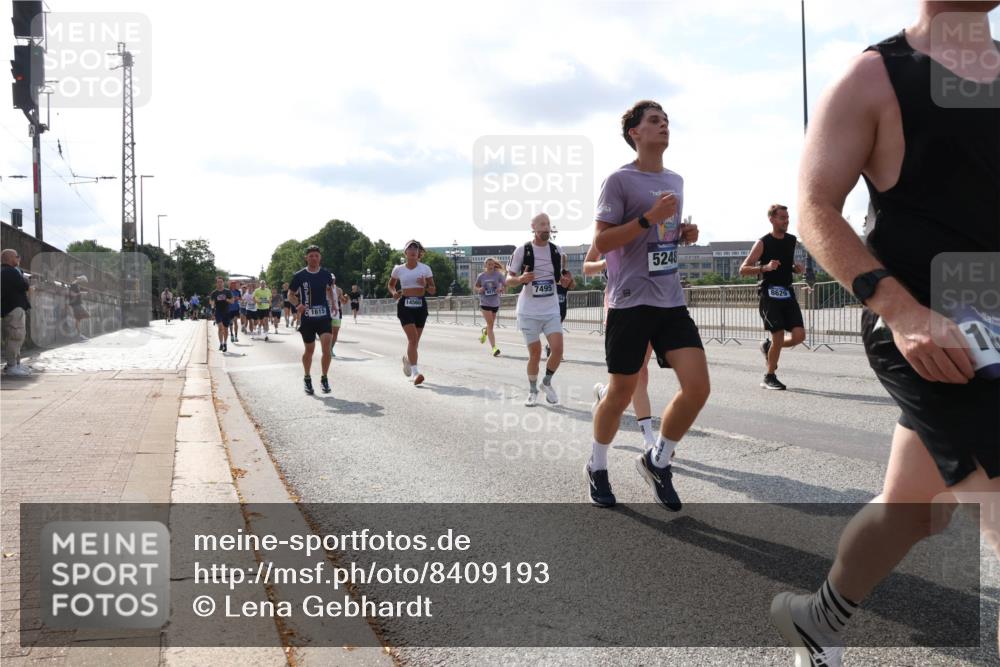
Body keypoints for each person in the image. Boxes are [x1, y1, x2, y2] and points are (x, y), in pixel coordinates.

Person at [769, 6, 1000, 666]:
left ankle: (817, 618)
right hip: (935, 328)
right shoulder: (875, 77)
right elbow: (815, 205)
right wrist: (901, 312)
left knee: (910, 510)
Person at [588, 100, 708, 512]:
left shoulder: (675, 179)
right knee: (620, 392)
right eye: (654, 121)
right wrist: (647, 218)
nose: (663, 126)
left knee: (698, 387)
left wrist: (683, 234)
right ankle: (597, 465)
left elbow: (663, 237)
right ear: (634, 133)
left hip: (670, 299)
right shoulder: (618, 181)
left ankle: (657, 460)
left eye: (666, 121)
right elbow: (602, 244)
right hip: (630, 301)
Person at [584, 244, 658, 451]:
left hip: (652, 304)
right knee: (638, 373)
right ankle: (649, 439)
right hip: (620, 307)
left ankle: (605, 392)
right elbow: (587, 267)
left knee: (638, 373)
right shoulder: (609, 229)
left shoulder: (652, 226)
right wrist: (608, 261)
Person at [505, 213, 571, 406]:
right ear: (533, 227)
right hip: (528, 312)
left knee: (557, 350)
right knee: (535, 353)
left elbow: (558, 279)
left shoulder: (557, 251)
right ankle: (532, 390)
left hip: (550, 309)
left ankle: (546, 382)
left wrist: (565, 281)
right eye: (542, 224)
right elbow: (508, 280)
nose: (546, 227)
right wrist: (520, 279)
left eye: (548, 224)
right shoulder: (522, 250)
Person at [740, 204, 807, 390]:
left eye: (787, 217)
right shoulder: (763, 242)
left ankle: (768, 348)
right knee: (778, 335)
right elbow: (743, 269)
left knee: (799, 336)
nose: (786, 221)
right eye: (782, 218)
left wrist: (796, 268)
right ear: (772, 219)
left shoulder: (792, 240)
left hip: (787, 292)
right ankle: (769, 376)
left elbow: (787, 264)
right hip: (769, 292)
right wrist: (765, 268)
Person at [288, 245, 337, 395]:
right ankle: (307, 378)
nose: (314, 258)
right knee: (309, 351)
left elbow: (331, 290)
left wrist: (334, 303)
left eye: (316, 255)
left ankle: (324, 378)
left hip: (323, 316)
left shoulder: (326, 274)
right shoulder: (299, 275)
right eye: (311, 256)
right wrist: (298, 304)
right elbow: (290, 294)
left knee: (326, 349)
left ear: (320, 257)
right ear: (306, 258)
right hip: (307, 319)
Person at [388, 240, 436, 386]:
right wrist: (394, 292)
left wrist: (425, 285)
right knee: (413, 339)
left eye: (416, 248)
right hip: (405, 305)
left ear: (419, 253)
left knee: (415, 342)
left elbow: (433, 290)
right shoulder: (398, 269)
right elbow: (391, 285)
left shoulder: (425, 269)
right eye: (410, 248)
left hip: (420, 304)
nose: (413, 250)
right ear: (405, 252)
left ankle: (408, 360)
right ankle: (415, 373)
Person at [1, 249, 31, 376]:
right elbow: (25, 286)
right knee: (15, 335)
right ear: (10, 258)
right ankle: (12, 366)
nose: (19, 259)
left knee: (17, 336)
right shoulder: (9, 271)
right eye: (17, 256)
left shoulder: (9, 271)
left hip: (14, 308)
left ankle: (16, 365)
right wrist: (23, 277)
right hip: (13, 308)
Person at [475, 258, 506, 357]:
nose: (490, 266)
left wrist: (501, 288)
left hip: (495, 303)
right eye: (488, 264)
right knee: (490, 324)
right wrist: (480, 289)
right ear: (485, 265)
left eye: (492, 264)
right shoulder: (481, 276)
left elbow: (505, 285)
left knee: (490, 326)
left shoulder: (498, 275)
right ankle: (494, 348)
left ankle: (485, 332)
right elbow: (475, 287)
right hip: (484, 302)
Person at [547, 270, 576, 359]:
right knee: (557, 333)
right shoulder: (555, 286)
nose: (568, 279)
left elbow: (573, 285)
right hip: (554, 312)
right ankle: (557, 353)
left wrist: (568, 279)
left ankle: (549, 347)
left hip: (562, 312)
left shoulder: (565, 287)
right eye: (566, 276)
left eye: (570, 277)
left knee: (555, 333)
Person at [209, 277, 234, 352]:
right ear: (216, 283)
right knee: (220, 327)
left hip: (226, 312)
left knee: (226, 329)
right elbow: (211, 302)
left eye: (221, 282)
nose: (220, 283)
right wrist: (212, 304)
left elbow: (232, 301)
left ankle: (225, 343)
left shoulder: (227, 291)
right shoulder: (214, 293)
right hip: (218, 312)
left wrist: (226, 299)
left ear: (223, 283)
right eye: (218, 282)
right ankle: (221, 343)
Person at [329, 284, 350, 357]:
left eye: (333, 279)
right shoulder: (323, 288)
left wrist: (346, 298)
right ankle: (327, 348)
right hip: (326, 313)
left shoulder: (338, 290)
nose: (332, 280)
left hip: (337, 313)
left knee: (335, 333)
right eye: (331, 279)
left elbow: (343, 302)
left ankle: (330, 349)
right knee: (328, 332)